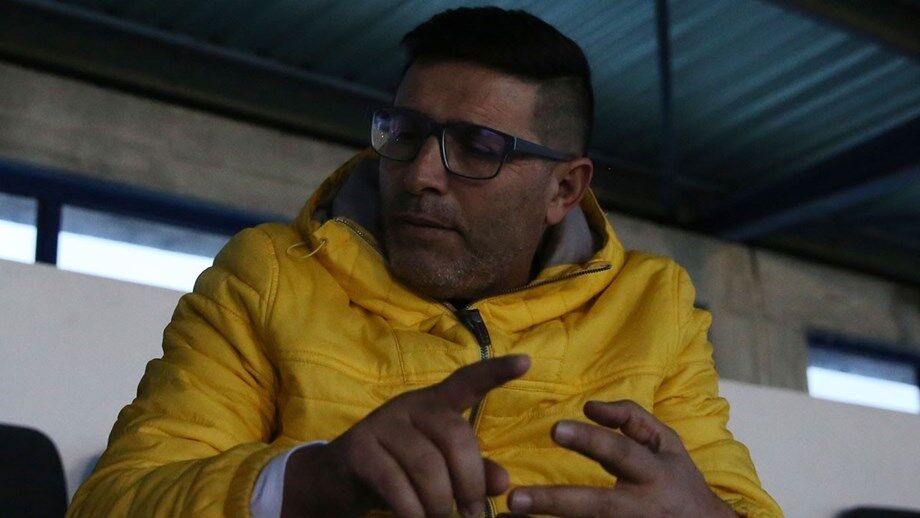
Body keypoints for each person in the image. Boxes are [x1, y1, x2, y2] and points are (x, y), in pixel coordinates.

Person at [68, 7, 782, 518]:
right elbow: (114, 500)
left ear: (563, 190)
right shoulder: (272, 276)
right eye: (406, 134)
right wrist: (310, 480)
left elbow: (735, 503)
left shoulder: (652, 305)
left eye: (478, 147)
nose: (419, 175)